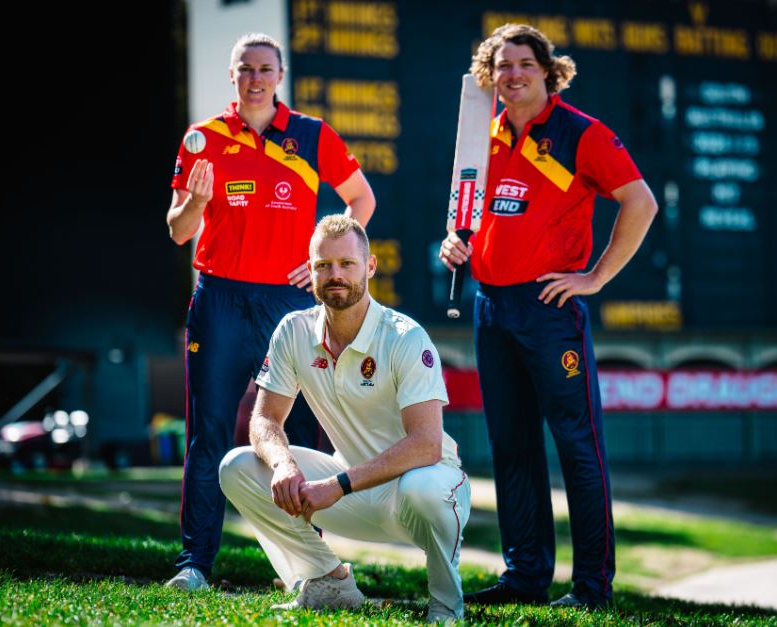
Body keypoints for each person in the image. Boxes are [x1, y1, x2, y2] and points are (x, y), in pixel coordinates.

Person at [439, 24, 658, 609]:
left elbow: (642, 201)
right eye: (502, 66)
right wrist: (454, 244)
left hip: (549, 309)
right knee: (511, 449)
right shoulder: (479, 135)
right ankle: (526, 578)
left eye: (524, 64)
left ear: (547, 70)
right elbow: (470, 217)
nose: (512, 75)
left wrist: (596, 277)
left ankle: (592, 590)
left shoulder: (580, 132)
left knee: (577, 447)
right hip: (491, 306)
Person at [165, 33, 376, 591]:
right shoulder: (203, 138)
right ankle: (194, 565)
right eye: (244, 69)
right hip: (221, 297)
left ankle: (312, 567)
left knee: (301, 432)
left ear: (279, 75)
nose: (255, 78)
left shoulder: (311, 135)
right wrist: (197, 202)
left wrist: (324, 260)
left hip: (290, 301)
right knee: (208, 431)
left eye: (265, 68)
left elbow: (362, 199)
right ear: (232, 76)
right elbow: (177, 230)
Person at [219, 215, 470, 623]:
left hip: (428, 489)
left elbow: (426, 443)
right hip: (354, 491)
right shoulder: (293, 331)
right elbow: (264, 418)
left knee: (421, 487)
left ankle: (445, 604)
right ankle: (327, 581)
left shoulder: (406, 336)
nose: (334, 275)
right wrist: (284, 466)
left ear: (369, 267)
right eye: (323, 265)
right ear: (311, 269)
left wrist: (338, 484)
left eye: (346, 264)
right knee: (237, 467)